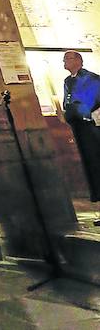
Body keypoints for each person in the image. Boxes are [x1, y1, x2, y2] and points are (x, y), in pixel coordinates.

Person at [63, 51, 100, 225]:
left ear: (79, 60)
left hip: (92, 126)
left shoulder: (91, 78)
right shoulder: (68, 81)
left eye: (68, 58)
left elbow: (92, 100)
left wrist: (79, 110)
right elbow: (67, 102)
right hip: (80, 128)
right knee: (91, 166)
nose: (64, 61)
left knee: (97, 162)